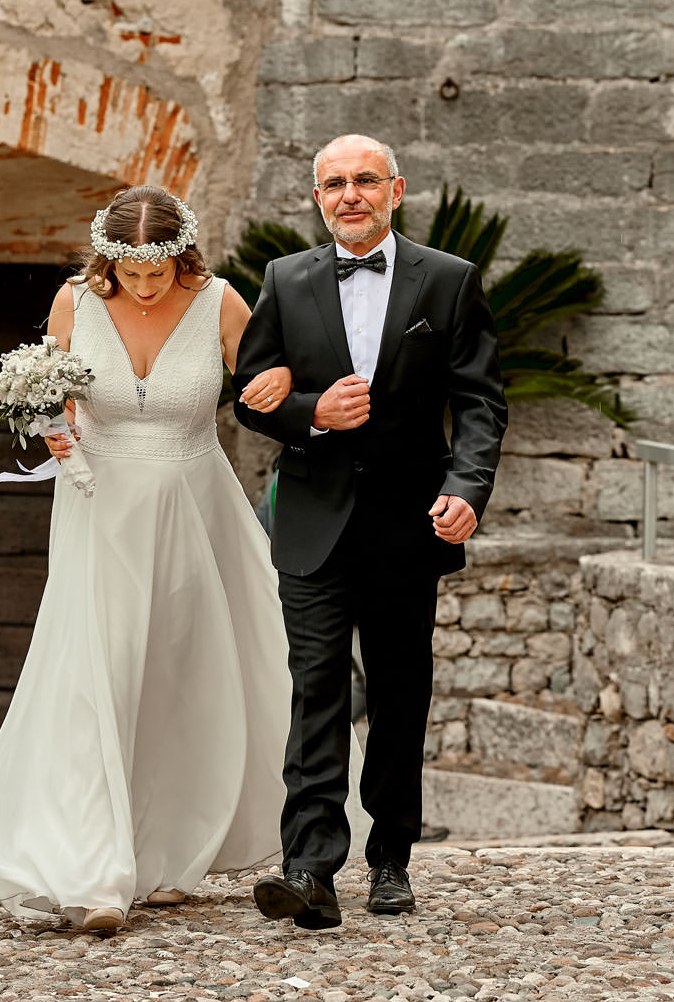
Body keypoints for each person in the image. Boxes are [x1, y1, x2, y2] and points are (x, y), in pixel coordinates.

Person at [0, 184, 320, 932]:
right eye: (132, 272)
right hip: (101, 511)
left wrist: (296, 393)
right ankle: (97, 876)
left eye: (158, 271)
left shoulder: (221, 303)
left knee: (178, 675)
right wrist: (51, 427)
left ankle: (165, 852)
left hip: (194, 509)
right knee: (102, 672)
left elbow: (263, 395)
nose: (146, 286)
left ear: (179, 255)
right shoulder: (73, 304)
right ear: (109, 258)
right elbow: (49, 398)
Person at [231, 134, 507, 928]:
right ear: (317, 199)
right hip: (311, 519)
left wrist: (467, 490)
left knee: (398, 692)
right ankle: (310, 869)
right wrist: (307, 413)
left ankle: (391, 857)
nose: (348, 194)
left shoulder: (449, 281)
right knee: (315, 687)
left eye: (363, 181)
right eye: (332, 184)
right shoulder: (284, 280)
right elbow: (247, 389)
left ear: (395, 190)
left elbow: (482, 402)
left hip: (406, 526)